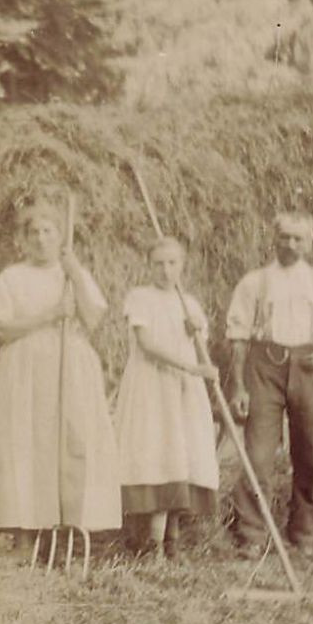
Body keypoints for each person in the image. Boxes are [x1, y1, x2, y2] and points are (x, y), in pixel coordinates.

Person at [0, 201, 121, 561]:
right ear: (24, 239)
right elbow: (2, 329)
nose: (42, 239)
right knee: (25, 444)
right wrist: (49, 315)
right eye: (34, 233)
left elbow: (93, 320)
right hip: (25, 368)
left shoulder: (72, 273)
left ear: (61, 237)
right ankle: (24, 539)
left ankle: (65, 536)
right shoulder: (11, 278)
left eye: (49, 232)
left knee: (69, 443)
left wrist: (75, 274)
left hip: (70, 366)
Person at [225, 211, 313, 556]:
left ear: (310, 243)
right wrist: (238, 386)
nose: (291, 244)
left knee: (309, 453)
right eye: (285, 237)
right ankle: (251, 535)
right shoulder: (254, 282)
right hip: (264, 367)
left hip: (310, 367)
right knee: (258, 454)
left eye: (299, 238)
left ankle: (303, 534)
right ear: (274, 238)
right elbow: (237, 337)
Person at [113, 236, 220, 562]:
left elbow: (199, 344)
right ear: (149, 265)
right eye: (158, 263)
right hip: (152, 386)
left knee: (181, 455)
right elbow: (147, 344)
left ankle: (172, 542)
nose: (165, 269)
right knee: (157, 453)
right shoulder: (140, 298)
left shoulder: (189, 304)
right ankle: (151, 545)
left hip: (184, 391)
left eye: (172, 263)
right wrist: (191, 366)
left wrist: (195, 331)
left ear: (182, 265)